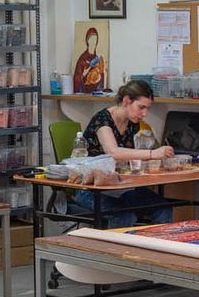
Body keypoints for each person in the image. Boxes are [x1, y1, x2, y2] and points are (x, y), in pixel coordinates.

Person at [72, 80, 176, 229]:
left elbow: (129, 156)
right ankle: (115, 251)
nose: (144, 113)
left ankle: (158, 249)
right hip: (91, 188)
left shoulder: (132, 123)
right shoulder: (102, 120)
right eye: (141, 107)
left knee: (163, 208)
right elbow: (113, 152)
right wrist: (152, 154)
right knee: (124, 214)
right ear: (126, 101)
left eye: (147, 108)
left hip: (120, 186)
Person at [72, 26, 107, 94]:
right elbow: (78, 77)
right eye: (91, 39)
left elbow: (102, 74)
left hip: (97, 92)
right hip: (84, 90)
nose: (93, 42)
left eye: (95, 39)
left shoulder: (98, 57)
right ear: (87, 41)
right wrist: (88, 68)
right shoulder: (82, 58)